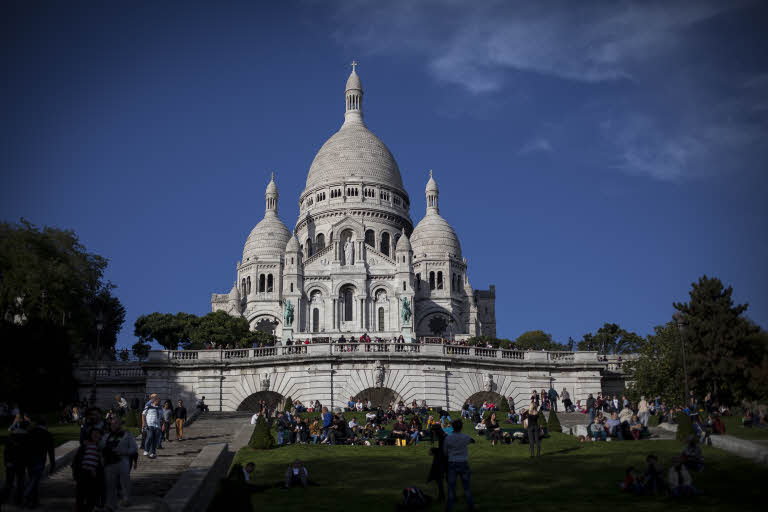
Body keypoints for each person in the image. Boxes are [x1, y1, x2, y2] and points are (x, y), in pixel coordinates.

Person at [102, 418, 138, 510]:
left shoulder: (127, 435)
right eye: (112, 424)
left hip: (122, 461)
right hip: (109, 462)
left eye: (115, 424)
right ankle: (110, 503)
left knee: (124, 482)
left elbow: (134, 448)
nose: (113, 426)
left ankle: (126, 499)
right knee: (110, 484)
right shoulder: (107, 436)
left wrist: (124, 451)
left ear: (120, 425)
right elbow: (101, 447)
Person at [23, 417, 56, 508]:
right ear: (45, 425)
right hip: (39, 459)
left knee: (33, 479)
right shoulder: (47, 434)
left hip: (29, 459)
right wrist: (52, 463)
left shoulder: (30, 432)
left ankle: (34, 500)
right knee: (35, 479)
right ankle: (26, 494)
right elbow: (51, 450)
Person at [443, 419, 475, 511]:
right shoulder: (465, 437)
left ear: (452, 427)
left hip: (452, 462)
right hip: (463, 463)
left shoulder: (448, 438)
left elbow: (445, 452)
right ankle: (471, 507)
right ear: (461, 427)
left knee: (451, 488)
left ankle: (449, 508)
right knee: (466, 488)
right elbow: (472, 440)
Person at [73, 427, 104, 512]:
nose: (95, 435)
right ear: (90, 435)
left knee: (91, 498)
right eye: (94, 434)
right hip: (83, 473)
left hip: (93, 475)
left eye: (97, 434)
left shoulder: (101, 447)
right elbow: (76, 460)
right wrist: (76, 473)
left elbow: (102, 463)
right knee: (80, 497)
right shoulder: (85, 445)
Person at [2, 420, 29, 506]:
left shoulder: (11, 436)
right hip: (20, 463)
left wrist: (6, 461)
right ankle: (18, 500)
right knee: (20, 482)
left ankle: (4, 498)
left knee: (9, 482)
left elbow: (6, 451)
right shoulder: (27, 436)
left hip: (10, 462)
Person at [427, 424, 447, 502]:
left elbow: (443, 451)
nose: (434, 433)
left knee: (439, 478)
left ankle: (442, 496)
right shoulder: (443, 436)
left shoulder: (443, 437)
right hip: (444, 459)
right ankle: (442, 495)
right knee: (440, 478)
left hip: (443, 460)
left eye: (434, 431)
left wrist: (433, 450)